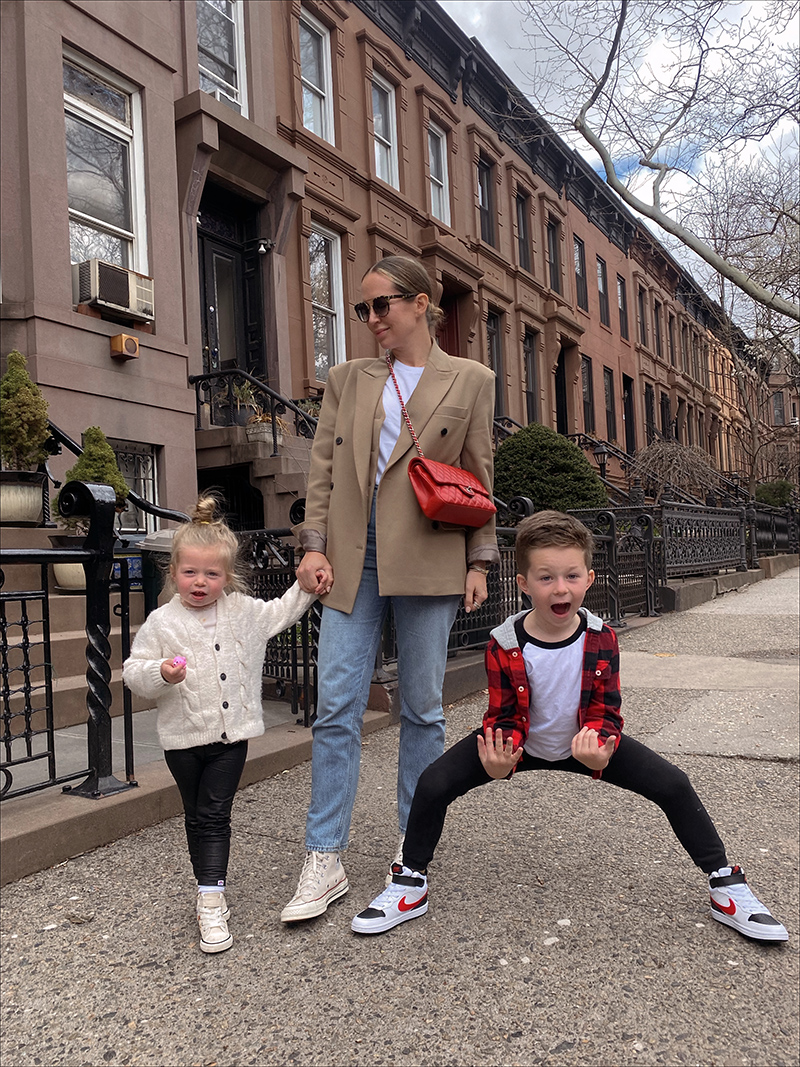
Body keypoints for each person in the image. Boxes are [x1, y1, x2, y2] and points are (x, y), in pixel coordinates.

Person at [351, 510, 788, 944]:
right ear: (522, 584)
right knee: (432, 783)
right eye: (545, 578)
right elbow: (502, 713)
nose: (561, 588)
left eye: (571, 576)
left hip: (585, 745)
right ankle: (409, 881)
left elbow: (607, 710)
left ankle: (726, 883)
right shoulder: (505, 642)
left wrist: (603, 746)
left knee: (673, 784)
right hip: (520, 745)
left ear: (590, 579)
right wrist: (500, 759)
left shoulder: (601, 637)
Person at [282, 255, 499, 923]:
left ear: (422, 303)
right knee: (337, 704)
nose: (372, 319)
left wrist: (480, 561)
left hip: (430, 555)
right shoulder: (348, 379)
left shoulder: (470, 378)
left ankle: (413, 848)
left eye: (382, 305)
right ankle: (325, 856)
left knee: (423, 710)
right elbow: (322, 472)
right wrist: (312, 547)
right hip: (353, 558)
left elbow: (477, 470)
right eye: (363, 308)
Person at [123, 495, 319, 952]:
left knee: (213, 814)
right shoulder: (161, 622)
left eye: (212, 574)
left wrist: (309, 585)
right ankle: (206, 885)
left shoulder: (243, 613)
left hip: (232, 738)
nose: (199, 582)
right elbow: (134, 671)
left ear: (227, 577)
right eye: (190, 572)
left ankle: (211, 898)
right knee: (196, 814)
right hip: (181, 739)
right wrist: (161, 673)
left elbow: (281, 612)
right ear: (173, 573)